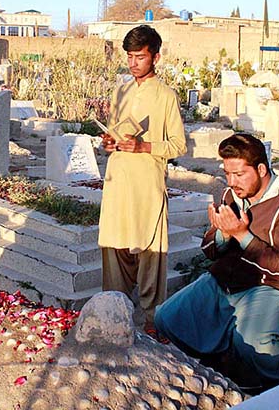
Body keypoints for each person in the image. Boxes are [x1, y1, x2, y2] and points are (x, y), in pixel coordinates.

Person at [154, 133, 279, 393]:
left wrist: (241, 235)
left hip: (268, 286)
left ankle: (277, 391)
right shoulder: (230, 194)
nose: (231, 182)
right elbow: (209, 250)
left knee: (256, 350)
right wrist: (222, 234)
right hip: (223, 280)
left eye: (239, 174)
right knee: (167, 318)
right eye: (227, 174)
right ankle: (218, 368)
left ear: (261, 169)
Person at [98, 25, 187, 334]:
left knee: (151, 254)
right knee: (113, 249)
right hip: (118, 180)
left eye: (140, 57)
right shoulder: (120, 90)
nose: (133, 63)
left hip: (148, 185)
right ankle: (114, 316)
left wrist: (145, 146)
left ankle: (152, 322)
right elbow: (115, 132)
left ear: (155, 57)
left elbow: (178, 145)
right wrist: (109, 143)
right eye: (130, 57)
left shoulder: (166, 96)